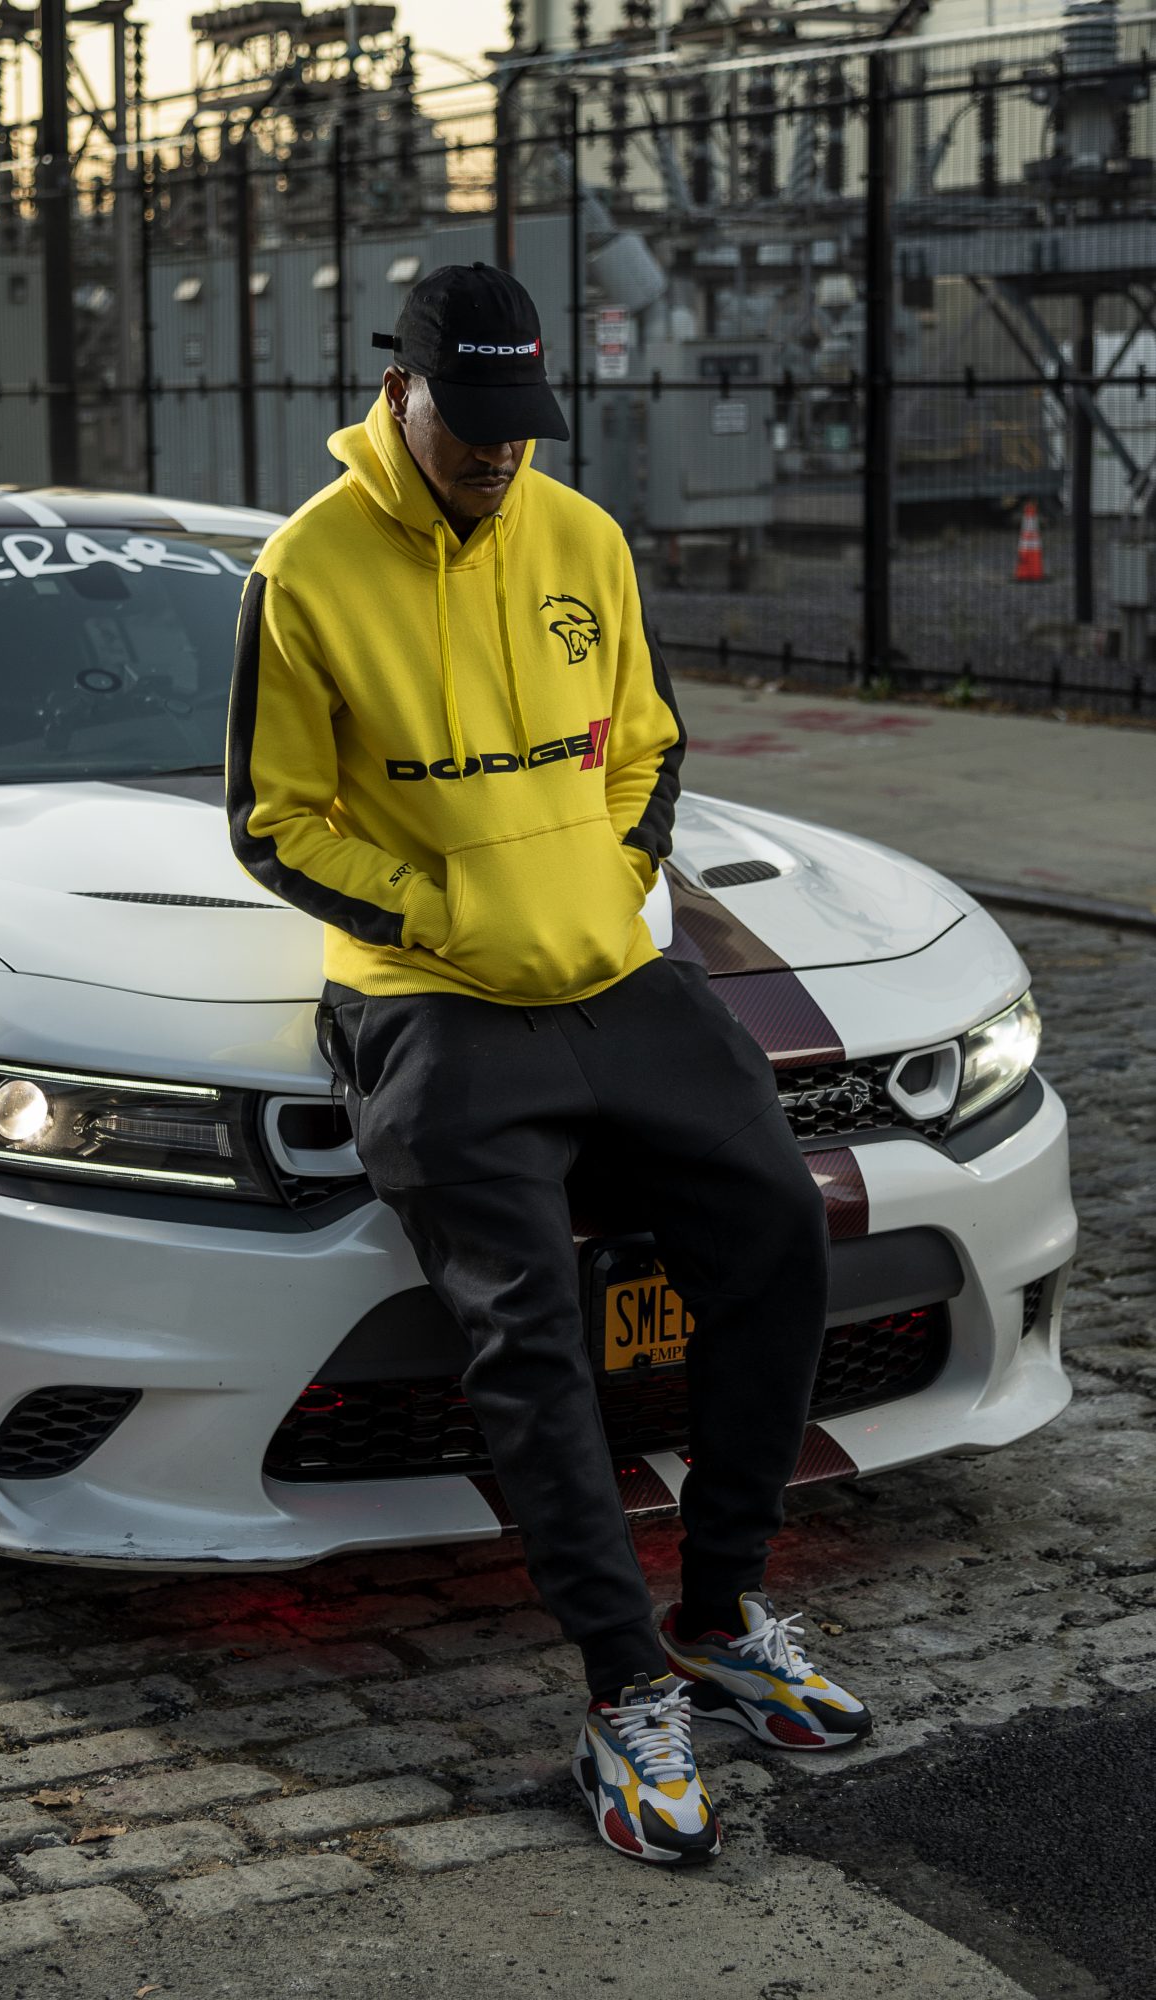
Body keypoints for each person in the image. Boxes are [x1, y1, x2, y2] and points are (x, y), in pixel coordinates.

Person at [226, 263, 871, 1868]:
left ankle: (719, 1614)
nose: (501, 455)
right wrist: (444, 910)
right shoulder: (304, 569)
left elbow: (643, 737)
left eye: (524, 427)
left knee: (779, 1236)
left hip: (612, 969)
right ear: (405, 391)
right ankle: (619, 1690)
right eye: (473, 426)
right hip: (424, 1001)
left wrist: (600, 877)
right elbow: (269, 818)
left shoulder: (579, 535)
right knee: (529, 1337)